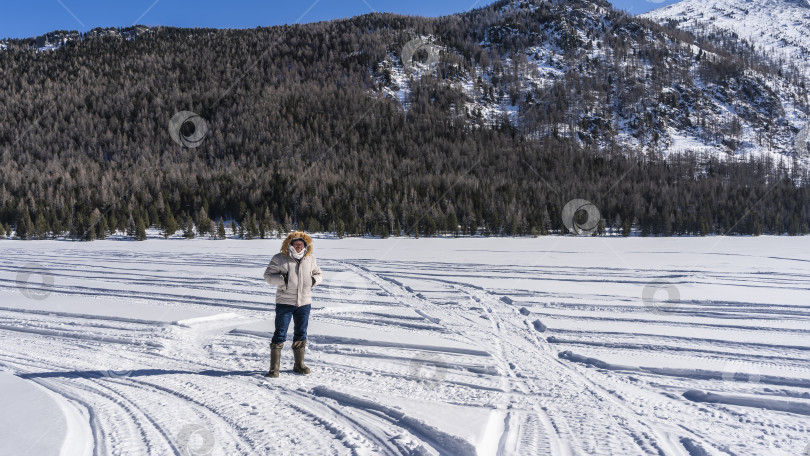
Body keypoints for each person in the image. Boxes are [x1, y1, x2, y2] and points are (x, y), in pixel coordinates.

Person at [262, 231, 323, 377]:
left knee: (301, 333)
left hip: (304, 302)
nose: (298, 246)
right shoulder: (279, 258)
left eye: (301, 244)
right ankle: (274, 368)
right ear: (290, 244)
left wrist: (314, 281)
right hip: (285, 302)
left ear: (305, 245)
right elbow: (268, 276)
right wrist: (283, 279)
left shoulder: (310, 259)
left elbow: (319, 274)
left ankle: (299, 365)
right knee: (280, 333)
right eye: (295, 243)